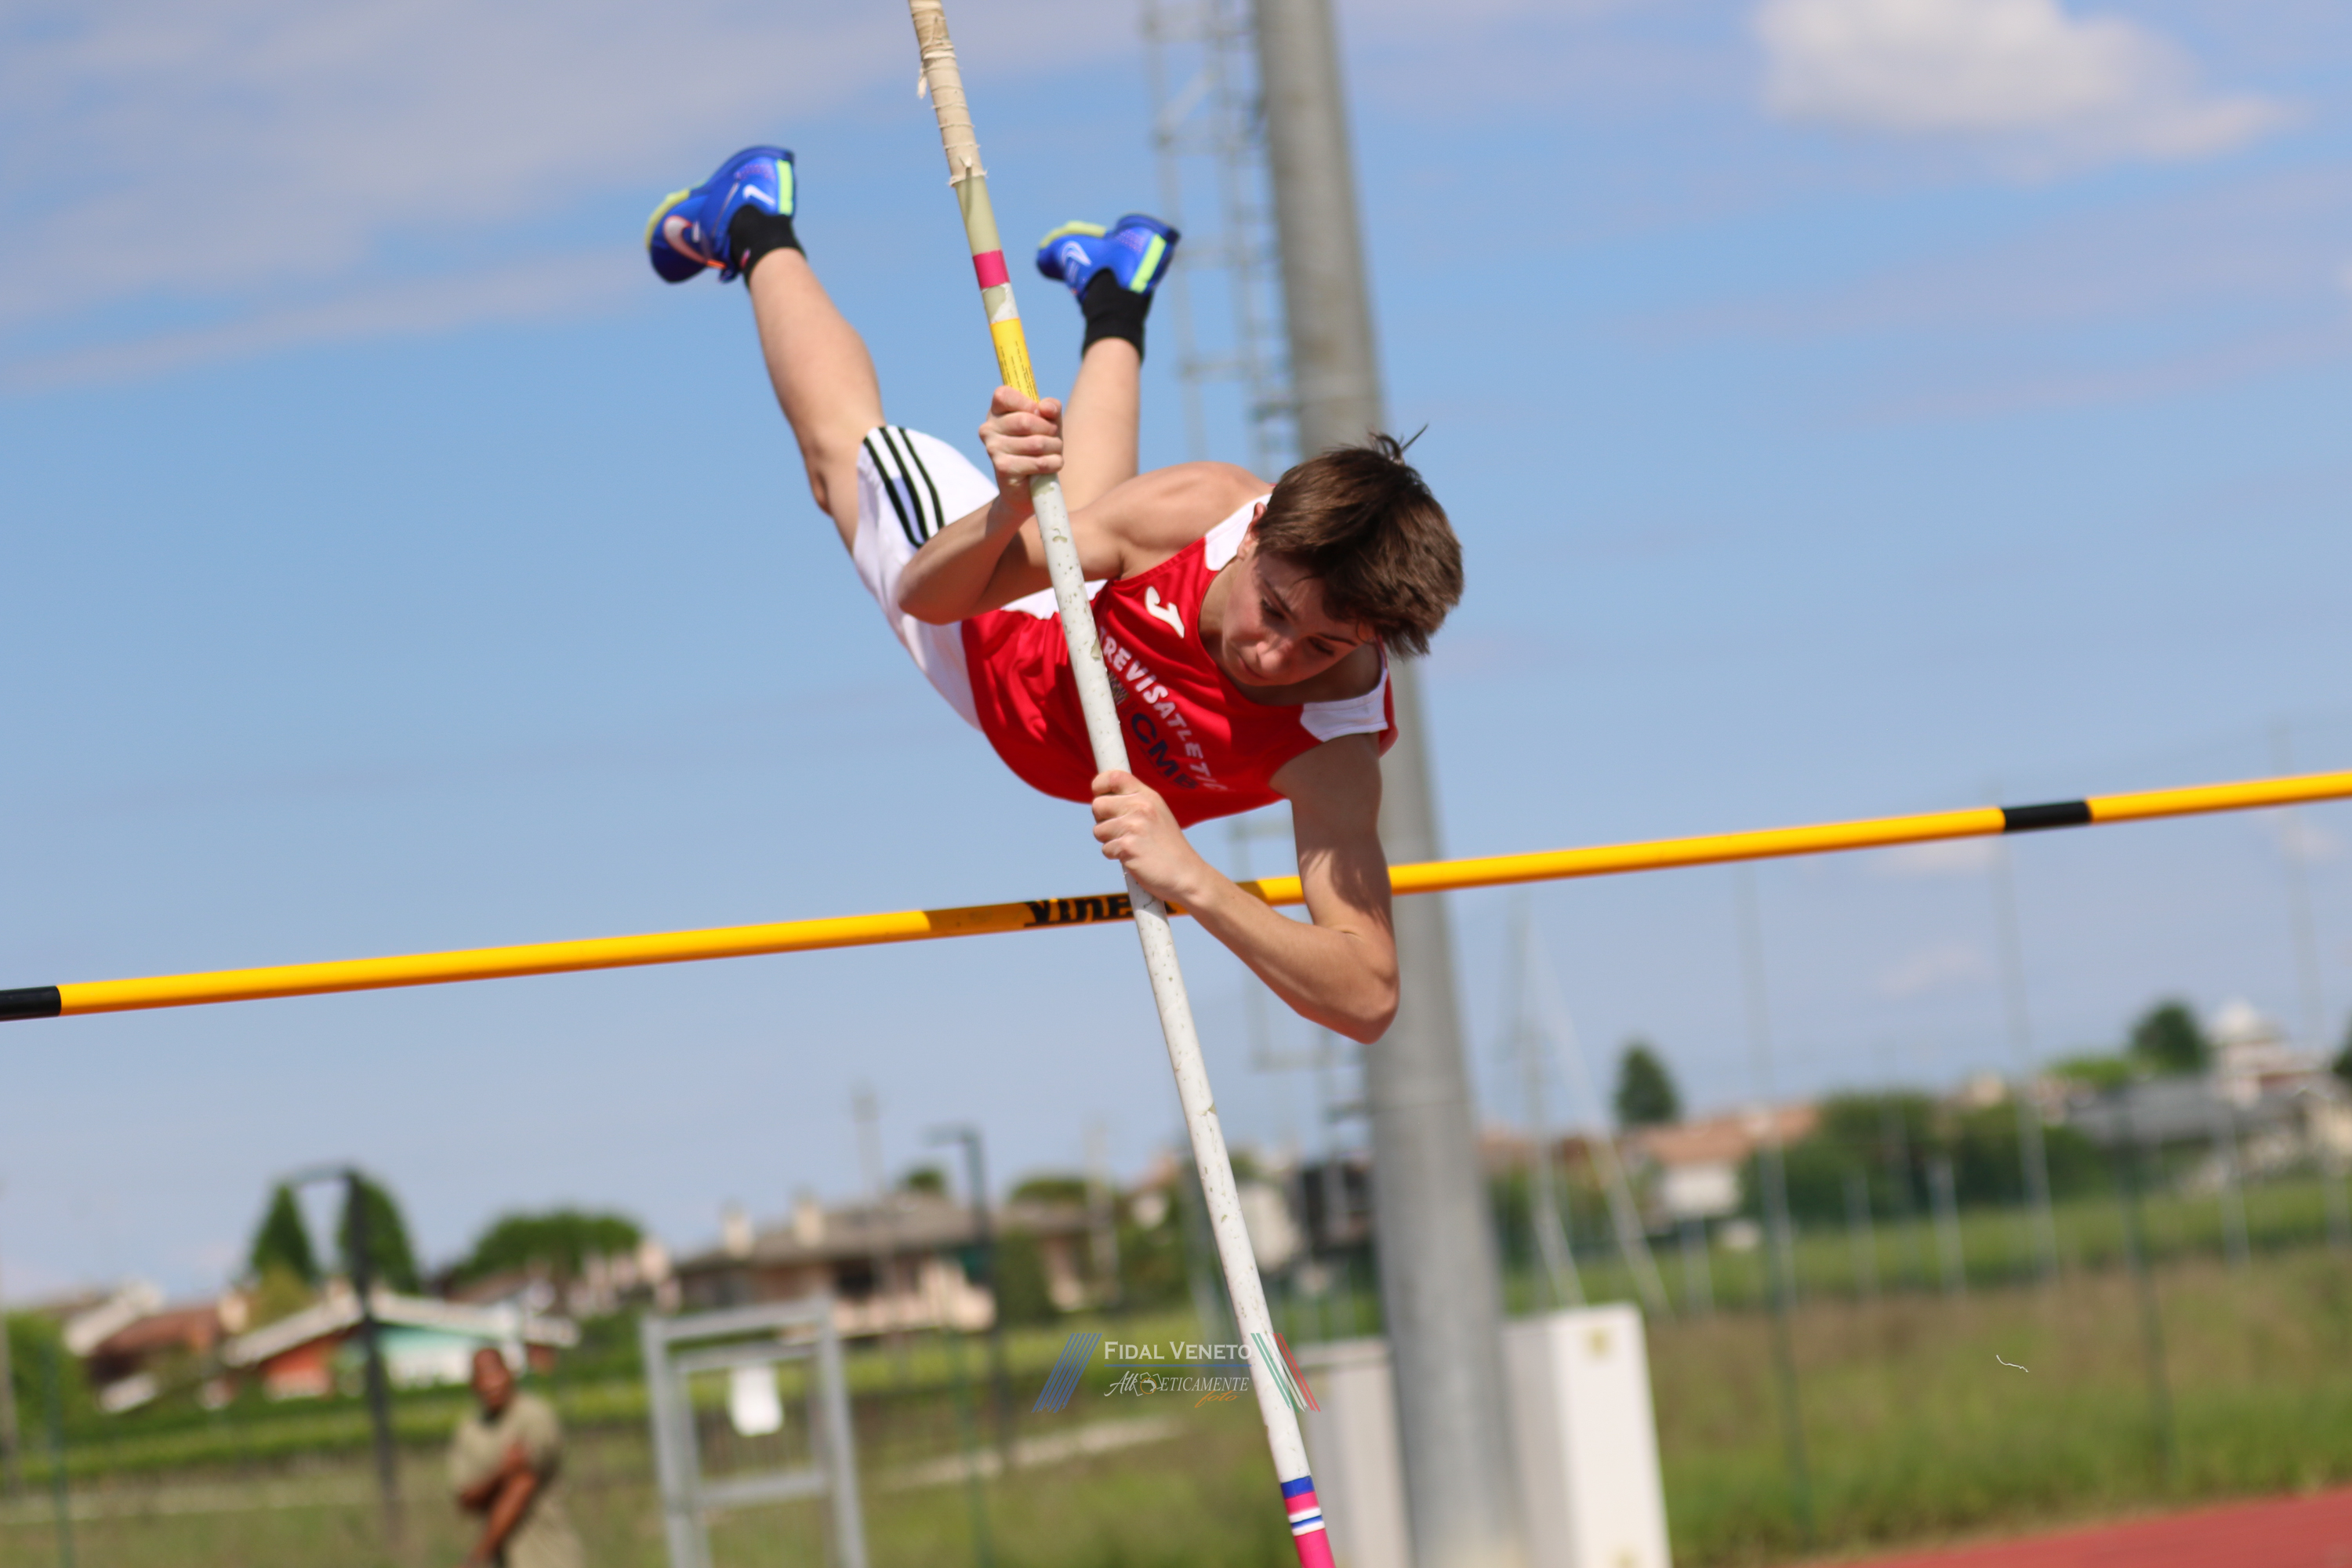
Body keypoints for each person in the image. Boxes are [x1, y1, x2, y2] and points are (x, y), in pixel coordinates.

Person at [646, 147, 1463, 1044]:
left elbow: (1367, 996)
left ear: (1369, 640)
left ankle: (1114, 292)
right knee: (840, 455)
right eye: (1273, 609)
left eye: (1323, 647)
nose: (1275, 656)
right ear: (1254, 534)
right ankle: (754, 220)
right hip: (993, 639)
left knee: (1084, 521)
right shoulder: (1194, 512)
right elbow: (927, 596)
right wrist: (1003, 509)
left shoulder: (1332, 740)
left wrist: (1196, 880)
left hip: (1064, 654)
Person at [448, 1345, 584, 1568]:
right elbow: (466, 1497)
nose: (491, 1383)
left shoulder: (534, 1417)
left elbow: (522, 1485)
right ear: (473, 1384)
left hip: (547, 1557)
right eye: (482, 1375)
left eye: (495, 1372)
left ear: (509, 1373)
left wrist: (478, 1556)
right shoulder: (470, 1430)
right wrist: (502, 1473)